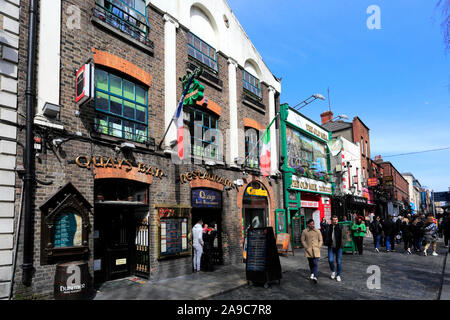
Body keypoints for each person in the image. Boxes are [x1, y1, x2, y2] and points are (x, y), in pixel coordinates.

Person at [301, 219, 323, 284]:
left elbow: (321, 240)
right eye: (310, 224)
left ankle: (315, 277)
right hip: (309, 250)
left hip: (316, 250)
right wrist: (306, 247)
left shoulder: (318, 231)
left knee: (315, 263)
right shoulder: (305, 231)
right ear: (308, 224)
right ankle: (312, 272)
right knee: (311, 263)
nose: (312, 225)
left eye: (313, 224)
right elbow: (303, 240)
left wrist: (319, 246)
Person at [325, 215, 343, 282]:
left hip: (339, 247)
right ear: (331, 221)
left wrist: (342, 244)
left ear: (337, 220)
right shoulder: (329, 227)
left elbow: (345, 236)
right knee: (330, 260)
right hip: (331, 246)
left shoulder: (340, 227)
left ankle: (338, 275)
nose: (335, 221)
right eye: (333, 220)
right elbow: (326, 235)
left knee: (339, 261)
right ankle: (333, 271)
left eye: (336, 220)